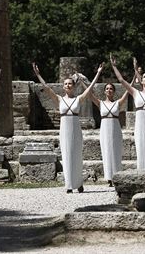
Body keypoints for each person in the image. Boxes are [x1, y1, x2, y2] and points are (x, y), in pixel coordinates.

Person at [33, 62, 103, 193]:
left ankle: (78, 183)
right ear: (63, 87)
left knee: (76, 155)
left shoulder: (78, 99)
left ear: (74, 86)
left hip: (76, 129)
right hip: (64, 129)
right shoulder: (59, 99)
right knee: (66, 155)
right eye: (65, 84)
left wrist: (98, 73)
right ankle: (69, 184)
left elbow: (90, 88)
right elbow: (47, 88)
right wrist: (38, 75)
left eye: (70, 83)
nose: (67, 85)